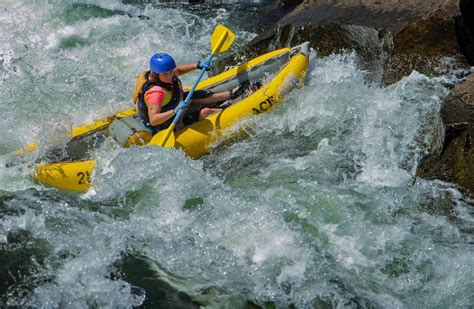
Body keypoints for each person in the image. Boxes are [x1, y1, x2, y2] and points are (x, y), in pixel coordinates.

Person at [133, 53, 242, 134]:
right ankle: (237, 109)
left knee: (192, 95)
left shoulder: (160, 74)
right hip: (164, 125)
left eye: (171, 71)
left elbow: (178, 70)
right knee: (205, 112)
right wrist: (174, 111)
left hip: (169, 108)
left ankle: (231, 94)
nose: (171, 75)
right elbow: (154, 120)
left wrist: (197, 65)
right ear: (157, 74)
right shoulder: (156, 93)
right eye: (166, 73)